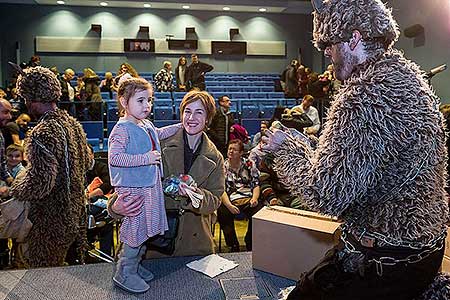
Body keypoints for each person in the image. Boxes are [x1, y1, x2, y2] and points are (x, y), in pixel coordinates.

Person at [261, 0, 450, 299]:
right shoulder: (409, 79)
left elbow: (325, 193)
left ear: (354, 38)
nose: (326, 53)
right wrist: (306, 145)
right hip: (425, 252)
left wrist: (285, 149)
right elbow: (361, 162)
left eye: (329, 45)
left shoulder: (363, 96)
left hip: (384, 261)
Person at [108, 90, 224, 259]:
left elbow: (214, 201)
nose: (191, 118)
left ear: (208, 119)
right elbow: (128, 178)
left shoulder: (216, 158)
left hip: (194, 244)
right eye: (187, 111)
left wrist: (194, 195)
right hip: (153, 243)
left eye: (199, 112)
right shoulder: (155, 142)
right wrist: (114, 207)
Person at [12, 66, 90, 268]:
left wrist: (15, 185)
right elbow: (89, 162)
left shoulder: (41, 133)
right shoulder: (72, 124)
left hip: (50, 221)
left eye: (26, 98)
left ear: (33, 97)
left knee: (43, 276)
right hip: (75, 214)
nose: (25, 103)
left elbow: (40, 183)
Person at [108, 77, 181, 293]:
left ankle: (136, 266)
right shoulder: (121, 130)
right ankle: (124, 271)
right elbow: (115, 158)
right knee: (135, 231)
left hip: (148, 186)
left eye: (149, 100)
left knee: (145, 230)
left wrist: (179, 126)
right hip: (134, 190)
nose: (146, 105)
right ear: (123, 102)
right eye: (140, 100)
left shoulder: (146, 124)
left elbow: (157, 135)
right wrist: (145, 158)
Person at [217, 139, 262, 252]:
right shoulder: (222, 166)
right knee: (223, 212)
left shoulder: (249, 164)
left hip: (247, 198)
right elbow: (221, 190)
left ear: (241, 152)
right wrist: (229, 206)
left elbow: (256, 184)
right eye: (229, 149)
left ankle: (250, 241)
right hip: (229, 199)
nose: (231, 151)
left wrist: (254, 199)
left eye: (234, 149)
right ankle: (233, 245)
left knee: (259, 211)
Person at [0, 99, 13, 269]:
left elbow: (2, 166)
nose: (9, 117)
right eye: (5, 112)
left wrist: (12, 181)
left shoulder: (1, 135)